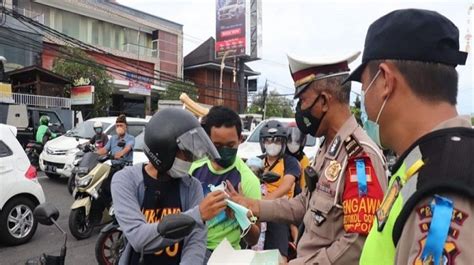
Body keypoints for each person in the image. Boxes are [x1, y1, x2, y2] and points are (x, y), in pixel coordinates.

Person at [227, 52, 388, 264]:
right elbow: (304, 204)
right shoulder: (328, 148)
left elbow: (358, 244)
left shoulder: (359, 159)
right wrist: (252, 206)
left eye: (303, 100)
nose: (299, 110)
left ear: (323, 101)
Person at [343, 9, 472, 264]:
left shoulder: (443, 193)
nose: (364, 104)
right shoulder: (422, 163)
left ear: (385, 82)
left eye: (364, 86)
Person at [111, 108, 228, 265]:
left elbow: (195, 242)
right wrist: (198, 214)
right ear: (164, 146)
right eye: (186, 153)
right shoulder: (125, 181)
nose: (191, 160)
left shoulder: (192, 186)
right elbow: (138, 238)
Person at [189, 106, 261, 262]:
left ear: (240, 140)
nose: (223, 151)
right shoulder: (193, 169)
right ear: (207, 140)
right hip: (191, 249)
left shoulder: (248, 181)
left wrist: (241, 215)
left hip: (225, 256)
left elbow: (254, 239)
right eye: (217, 146)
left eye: (230, 146)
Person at [252, 119, 301, 261]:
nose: (272, 144)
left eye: (277, 140)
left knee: (278, 255)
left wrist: (264, 203)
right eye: (268, 140)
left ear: (283, 142)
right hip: (258, 210)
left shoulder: (290, 162)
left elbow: (286, 186)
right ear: (262, 143)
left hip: (281, 209)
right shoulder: (256, 161)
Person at [285, 122, 310, 192]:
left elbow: (304, 185)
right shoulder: (281, 156)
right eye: (290, 141)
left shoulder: (303, 159)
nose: (293, 144)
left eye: (297, 141)